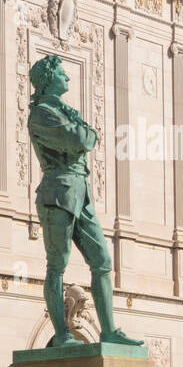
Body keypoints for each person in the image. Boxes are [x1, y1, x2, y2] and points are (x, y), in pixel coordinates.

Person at [27, 54, 142, 348]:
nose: (67, 78)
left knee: (102, 260)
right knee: (57, 265)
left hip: (81, 191)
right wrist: (84, 135)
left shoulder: (64, 110)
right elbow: (80, 140)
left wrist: (85, 134)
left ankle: (109, 331)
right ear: (49, 79)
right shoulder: (42, 113)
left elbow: (88, 136)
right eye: (62, 74)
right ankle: (63, 334)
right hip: (58, 191)